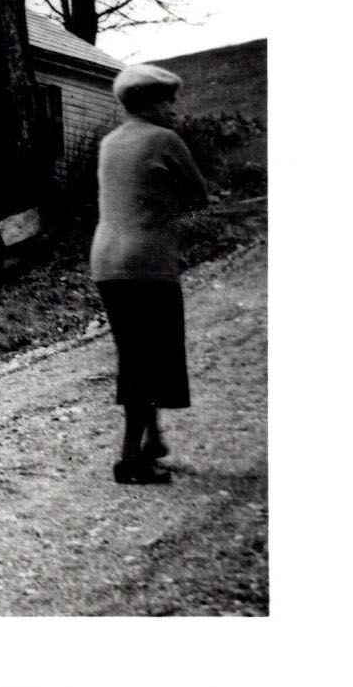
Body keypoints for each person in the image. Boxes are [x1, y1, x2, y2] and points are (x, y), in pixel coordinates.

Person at [90, 64, 210, 485]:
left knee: (135, 352)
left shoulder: (109, 143)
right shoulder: (165, 140)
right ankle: (130, 460)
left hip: (106, 261)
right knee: (149, 359)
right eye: (168, 100)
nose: (174, 109)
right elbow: (200, 200)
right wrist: (172, 222)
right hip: (148, 262)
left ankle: (153, 439)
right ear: (149, 102)